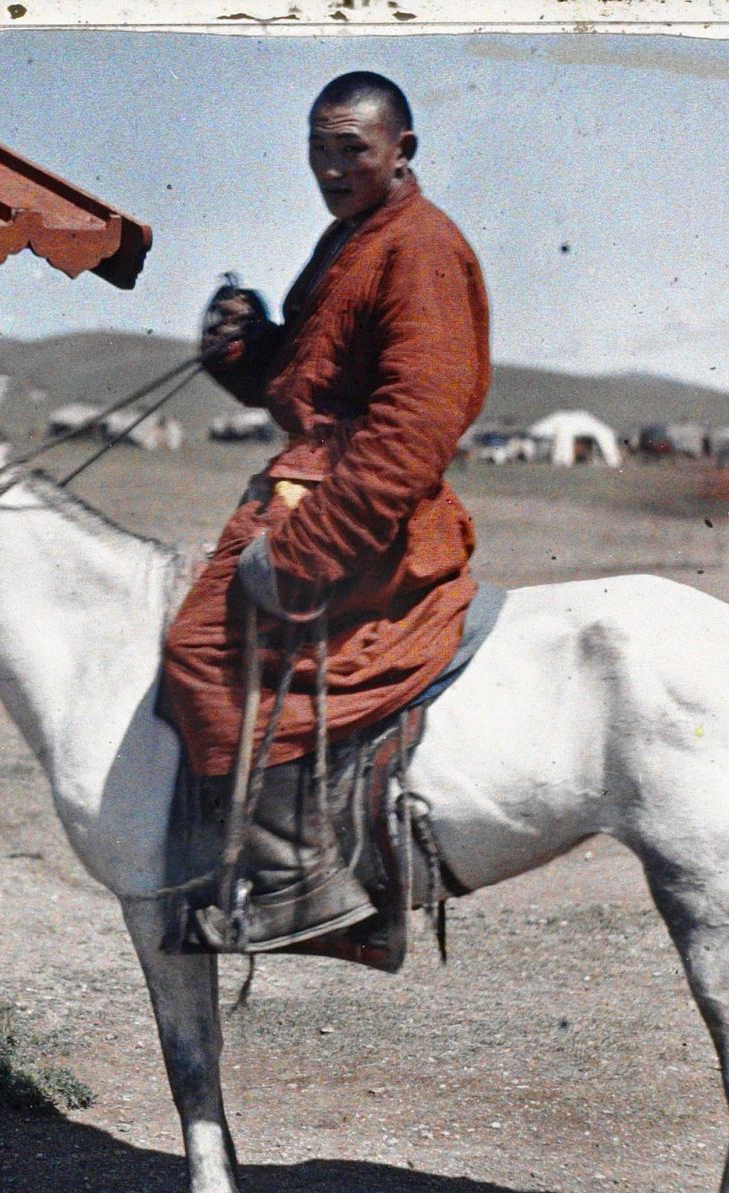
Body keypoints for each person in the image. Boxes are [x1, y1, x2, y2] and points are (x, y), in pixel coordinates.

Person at [161, 70, 492, 953]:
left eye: (354, 149)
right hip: (316, 479)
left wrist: (310, 549)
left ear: (402, 151)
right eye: (319, 148)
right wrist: (246, 348)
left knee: (202, 645)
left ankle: (300, 881)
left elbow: (414, 428)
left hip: (366, 508)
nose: (333, 167)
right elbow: (308, 386)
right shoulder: (353, 238)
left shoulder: (418, 247)